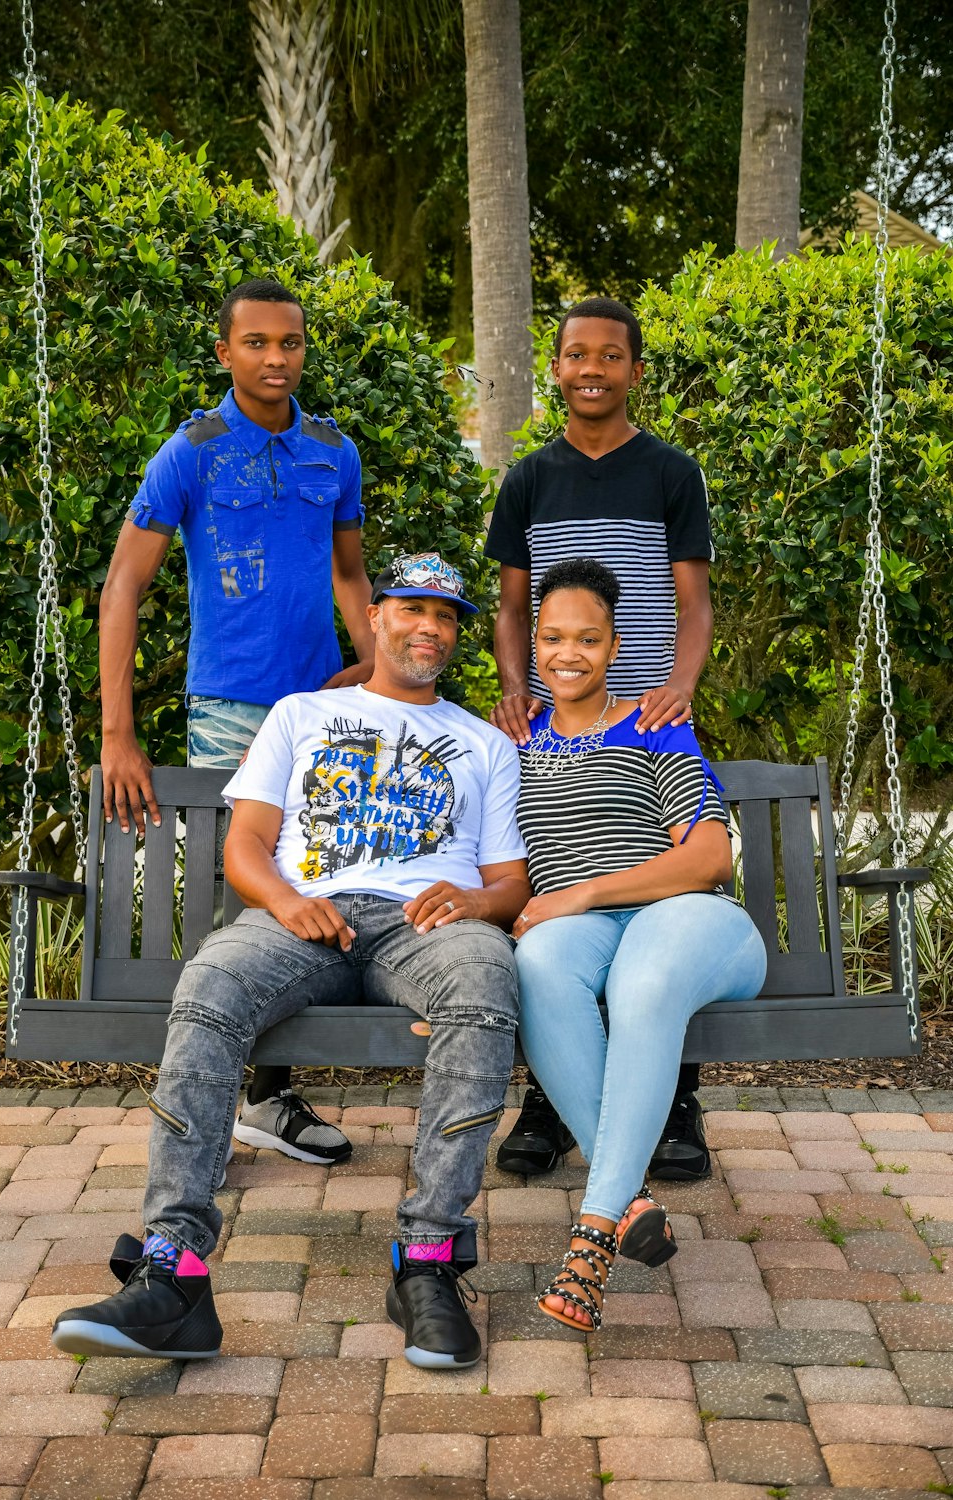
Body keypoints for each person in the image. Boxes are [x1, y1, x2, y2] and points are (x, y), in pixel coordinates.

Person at [52, 552, 529, 1370]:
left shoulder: (484, 743)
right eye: (413, 609)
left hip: (424, 922)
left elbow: (509, 880)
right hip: (301, 915)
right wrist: (284, 899)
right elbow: (243, 845)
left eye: (447, 616)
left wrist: (477, 906)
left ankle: (430, 1262)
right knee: (207, 987)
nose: (430, 626)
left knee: (486, 987)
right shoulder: (300, 714)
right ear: (375, 617)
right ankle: (175, 1273)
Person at [99, 277, 375, 1165]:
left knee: (316, 881)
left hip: (322, 709)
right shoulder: (192, 452)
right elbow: (123, 588)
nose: (275, 359)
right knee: (238, 893)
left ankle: (270, 1095)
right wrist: (118, 731)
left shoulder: (334, 451)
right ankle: (227, 1102)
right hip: (228, 708)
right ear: (225, 352)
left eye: (289, 343)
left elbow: (350, 576)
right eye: (255, 343)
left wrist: (372, 665)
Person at [485, 295, 715, 1182]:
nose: (591, 369)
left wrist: (679, 686)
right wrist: (515, 690)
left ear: (634, 371)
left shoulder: (669, 471)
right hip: (560, 716)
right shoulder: (529, 480)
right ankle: (551, 1099)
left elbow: (693, 605)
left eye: (609, 356)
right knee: (556, 875)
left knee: (664, 905)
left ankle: (676, 1102)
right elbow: (512, 607)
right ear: (555, 368)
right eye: (575, 354)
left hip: (649, 718)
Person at [509, 558, 767, 1331]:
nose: (568, 653)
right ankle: (629, 1202)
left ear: (615, 646)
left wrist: (584, 891)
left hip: (688, 920)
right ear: (533, 644)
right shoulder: (515, 741)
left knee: (642, 982)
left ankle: (592, 1235)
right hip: (581, 934)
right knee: (537, 966)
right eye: (552, 637)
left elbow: (708, 856)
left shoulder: (655, 724)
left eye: (588, 638)